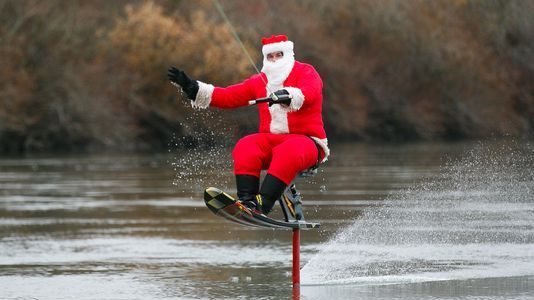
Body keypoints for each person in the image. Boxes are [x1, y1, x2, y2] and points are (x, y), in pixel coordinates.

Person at [168, 34, 329, 215]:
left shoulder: (306, 71)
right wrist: (192, 87)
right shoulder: (259, 81)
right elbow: (227, 96)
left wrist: (288, 95)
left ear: (288, 54)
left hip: (308, 143)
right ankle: (248, 201)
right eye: (270, 56)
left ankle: (263, 204)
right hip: (272, 142)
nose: (274, 60)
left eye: (278, 55)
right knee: (246, 146)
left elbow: (311, 92)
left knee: (289, 149)